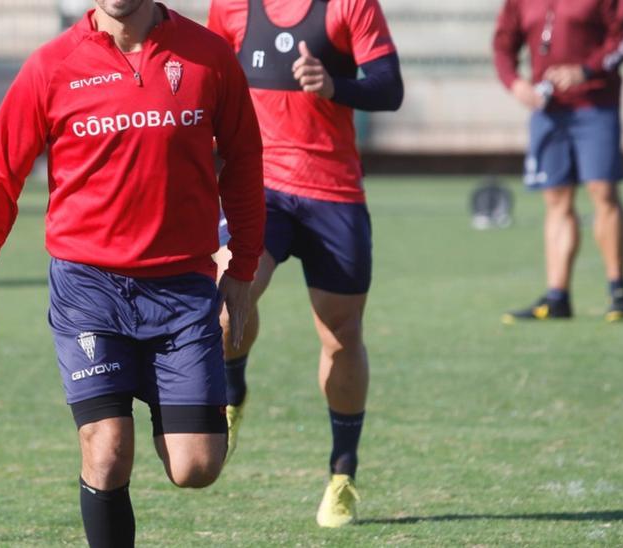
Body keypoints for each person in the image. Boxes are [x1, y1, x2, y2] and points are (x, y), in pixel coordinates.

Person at [0, 0, 265, 545]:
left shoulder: (209, 57)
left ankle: (179, 388)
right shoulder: (51, 67)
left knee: (196, 468)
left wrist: (242, 266)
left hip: (182, 289)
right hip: (89, 287)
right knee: (108, 449)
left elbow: (245, 159)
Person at [207, 0, 404, 528]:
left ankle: (342, 472)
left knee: (341, 335)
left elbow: (389, 87)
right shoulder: (229, 8)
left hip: (332, 194)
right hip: (259, 188)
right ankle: (232, 390)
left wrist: (337, 86)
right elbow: (211, 91)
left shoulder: (351, 6)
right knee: (227, 299)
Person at [492, 0, 623, 323]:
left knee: (603, 192)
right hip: (548, 112)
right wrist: (515, 84)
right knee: (556, 199)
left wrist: (586, 70)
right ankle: (557, 296)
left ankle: (618, 291)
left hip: (595, 106)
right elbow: (503, 44)